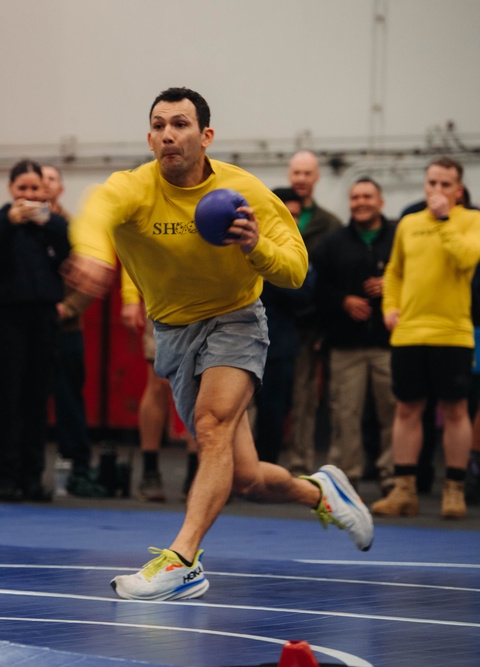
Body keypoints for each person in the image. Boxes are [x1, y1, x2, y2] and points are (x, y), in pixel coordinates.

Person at [65, 87, 373, 601]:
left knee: (209, 427)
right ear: (150, 138)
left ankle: (183, 560)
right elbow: (97, 207)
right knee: (247, 476)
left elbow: (296, 271)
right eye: (159, 125)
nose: (169, 134)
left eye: (181, 124)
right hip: (174, 330)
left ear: (205, 136)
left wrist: (255, 247)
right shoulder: (134, 188)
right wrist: (93, 252)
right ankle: (321, 491)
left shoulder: (245, 191)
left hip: (236, 320)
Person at [371, 158, 480, 519]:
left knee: (455, 410)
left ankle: (454, 490)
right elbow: (395, 272)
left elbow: (466, 258)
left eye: (445, 184)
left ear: (458, 190)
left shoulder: (472, 221)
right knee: (406, 408)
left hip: (453, 332)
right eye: (432, 182)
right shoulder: (408, 223)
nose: (437, 190)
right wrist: (390, 306)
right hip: (409, 332)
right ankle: (405, 491)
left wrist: (445, 219)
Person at [0, 160, 71, 502]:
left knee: (36, 400)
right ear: (10, 189)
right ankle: (1, 478)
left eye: (35, 189)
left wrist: (51, 225)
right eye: (22, 189)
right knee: (4, 401)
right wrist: (9, 224)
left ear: (44, 191)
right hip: (2, 319)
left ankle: (31, 477)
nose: (29, 195)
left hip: (43, 318)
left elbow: (67, 255)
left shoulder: (54, 224)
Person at [312, 178, 396, 494]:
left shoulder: (398, 239)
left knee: (392, 411)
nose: (361, 202)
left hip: (388, 343)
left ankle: (392, 474)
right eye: (355, 197)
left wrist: (392, 285)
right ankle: (347, 477)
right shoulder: (333, 243)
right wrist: (342, 301)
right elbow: (315, 287)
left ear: (381, 202)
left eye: (367, 196)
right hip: (345, 344)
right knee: (345, 413)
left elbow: (415, 276)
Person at [279, 151, 343, 477]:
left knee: (305, 397)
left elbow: (334, 279)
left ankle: (301, 461)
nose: (301, 179)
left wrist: (323, 328)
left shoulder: (330, 224)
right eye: (296, 173)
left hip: (309, 324)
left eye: (307, 173)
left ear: (317, 178)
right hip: (273, 321)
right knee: (259, 396)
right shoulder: (270, 212)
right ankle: (255, 463)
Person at [42, 165, 104, 497]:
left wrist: (68, 308)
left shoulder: (74, 228)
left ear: (60, 188)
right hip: (32, 326)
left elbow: (89, 277)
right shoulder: (24, 227)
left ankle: (79, 463)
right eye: (39, 180)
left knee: (69, 399)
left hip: (67, 326)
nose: (45, 185)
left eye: (51, 179)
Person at [119, 275, 199, 502]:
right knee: (158, 383)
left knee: (200, 384)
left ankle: (196, 475)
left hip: (208, 297)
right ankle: (150, 471)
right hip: (162, 295)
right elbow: (133, 243)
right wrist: (131, 298)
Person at [251, 187, 315, 465]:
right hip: (239, 341)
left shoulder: (299, 252)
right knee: (232, 413)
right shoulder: (245, 243)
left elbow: (305, 294)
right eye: (287, 213)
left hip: (280, 346)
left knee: (275, 414)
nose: (293, 220)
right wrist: (278, 277)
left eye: (297, 215)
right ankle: (229, 474)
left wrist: (268, 278)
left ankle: (265, 472)